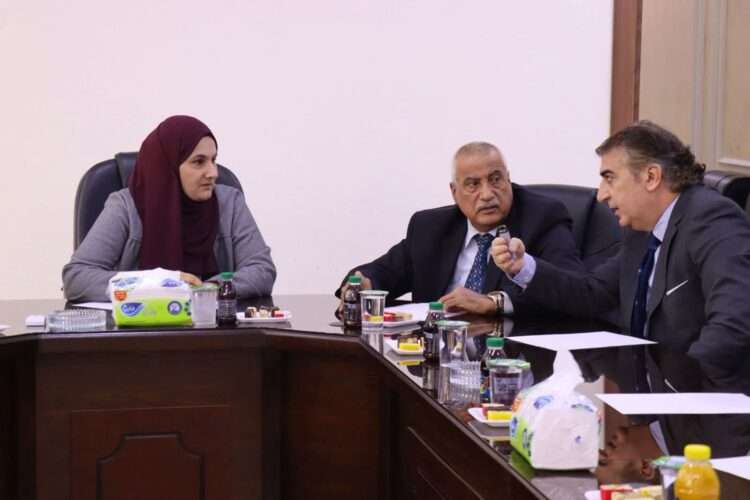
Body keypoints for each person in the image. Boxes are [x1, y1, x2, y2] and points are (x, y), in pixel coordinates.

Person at [492, 120, 750, 390]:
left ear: (651, 177)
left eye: (610, 178)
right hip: (643, 388)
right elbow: (593, 294)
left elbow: (734, 322)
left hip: (697, 399)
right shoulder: (642, 228)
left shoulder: (711, 218)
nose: (601, 195)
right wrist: (523, 266)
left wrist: (685, 397)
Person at [336, 141, 585, 317]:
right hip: (435, 354)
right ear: (454, 192)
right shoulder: (430, 228)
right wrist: (362, 285)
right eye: (473, 184)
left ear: (509, 179)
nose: (487, 194)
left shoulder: (542, 218)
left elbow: (572, 289)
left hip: (510, 357)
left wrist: (494, 303)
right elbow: (383, 271)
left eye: (496, 180)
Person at [63, 115, 276, 302]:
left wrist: (208, 290)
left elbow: (262, 269)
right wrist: (159, 284)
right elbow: (77, 278)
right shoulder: (125, 207)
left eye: (213, 160)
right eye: (199, 162)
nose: (213, 173)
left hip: (214, 327)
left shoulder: (230, 202)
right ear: (168, 167)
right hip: (141, 329)